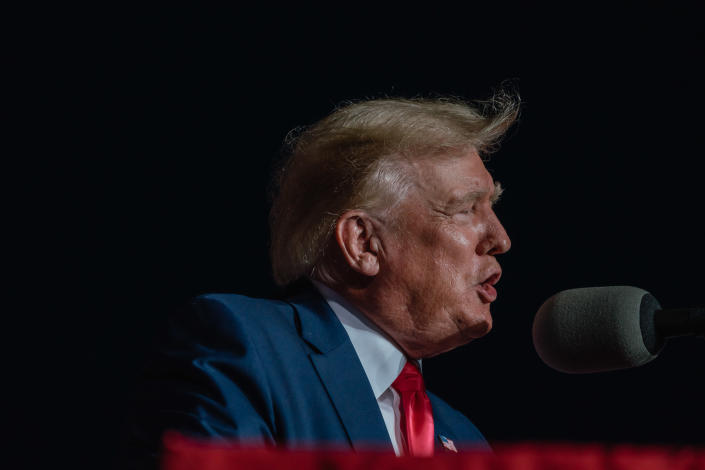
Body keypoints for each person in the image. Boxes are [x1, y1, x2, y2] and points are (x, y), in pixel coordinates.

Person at [126, 91, 519, 467]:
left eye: (492, 207)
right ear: (364, 243)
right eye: (466, 208)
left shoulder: (465, 440)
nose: (500, 239)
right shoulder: (245, 349)